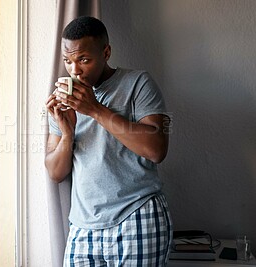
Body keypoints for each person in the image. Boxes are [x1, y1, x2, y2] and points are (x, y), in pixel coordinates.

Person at [45, 16, 173, 266]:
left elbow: (156, 149)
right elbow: (55, 172)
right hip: (83, 226)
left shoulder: (137, 83)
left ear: (106, 52)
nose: (75, 70)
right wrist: (67, 132)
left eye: (84, 59)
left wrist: (94, 109)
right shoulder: (65, 99)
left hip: (137, 215)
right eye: (68, 61)